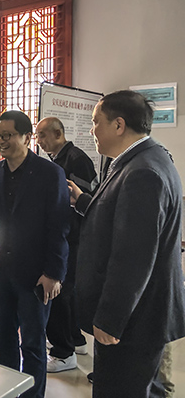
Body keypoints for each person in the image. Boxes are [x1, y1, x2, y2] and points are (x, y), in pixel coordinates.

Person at [68, 90, 185, 397]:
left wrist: (111, 319)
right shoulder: (142, 160)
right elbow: (119, 219)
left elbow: (133, 257)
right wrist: (84, 202)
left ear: (118, 125)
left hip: (134, 320)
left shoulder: (142, 172)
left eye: (96, 122)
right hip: (139, 316)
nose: (92, 130)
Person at [0, 110, 70, 398]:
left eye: (8, 135)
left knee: (34, 343)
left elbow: (60, 226)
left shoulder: (50, 173)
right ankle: (9, 392)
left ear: (27, 137)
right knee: (4, 337)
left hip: (36, 274)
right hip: (3, 270)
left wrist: (54, 273)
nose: (1, 141)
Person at [35, 116, 98, 372]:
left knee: (59, 292)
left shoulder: (76, 159)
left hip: (72, 238)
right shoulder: (57, 160)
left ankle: (63, 353)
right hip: (66, 237)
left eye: (42, 135)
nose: (39, 140)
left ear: (58, 134)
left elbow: (85, 200)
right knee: (67, 293)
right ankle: (76, 340)